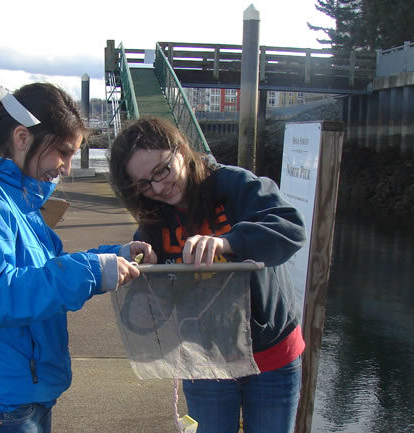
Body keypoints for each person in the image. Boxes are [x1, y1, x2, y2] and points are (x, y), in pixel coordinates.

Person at [0, 83, 155, 433]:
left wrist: (113, 256)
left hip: (17, 399)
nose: (67, 168)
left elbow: (44, 269)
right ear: (22, 137)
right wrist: (92, 271)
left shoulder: (16, 199)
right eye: (63, 152)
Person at [107, 116, 307, 433]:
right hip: (204, 361)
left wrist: (229, 242)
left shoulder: (236, 185)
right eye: (144, 184)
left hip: (271, 353)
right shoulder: (152, 224)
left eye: (162, 169)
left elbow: (291, 228)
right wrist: (149, 279)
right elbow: (145, 317)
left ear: (181, 151)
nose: (158, 187)